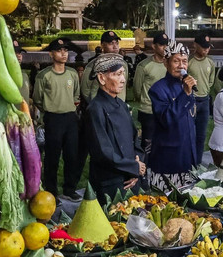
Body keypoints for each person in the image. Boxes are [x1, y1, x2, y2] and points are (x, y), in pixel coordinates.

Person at [86, 54, 145, 204]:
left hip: (131, 178)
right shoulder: (95, 109)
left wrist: (137, 166)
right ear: (102, 78)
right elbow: (103, 152)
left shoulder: (122, 104)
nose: (123, 80)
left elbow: (134, 139)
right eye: (117, 74)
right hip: (110, 182)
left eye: (123, 74)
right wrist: (132, 167)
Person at [32, 38, 82, 203]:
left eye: (66, 50)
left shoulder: (72, 74)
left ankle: (70, 189)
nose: (64, 54)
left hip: (70, 118)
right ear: (51, 54)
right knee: (52, 157)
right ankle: (51, 191)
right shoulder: (44, 75)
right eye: (60, 50)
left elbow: (76, 95)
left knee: (72, 155)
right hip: (53, 118)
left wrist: (72, 106)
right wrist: (48, 109)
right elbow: (38, 98)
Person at [147, 40, 198, 191]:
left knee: (187, 208)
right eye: (176, 61)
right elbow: (166, 119)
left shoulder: (186, 86)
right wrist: (185, 94)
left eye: (184, 61)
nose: (181, 66)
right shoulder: (158, 89)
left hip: (188, 157)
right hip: (168, 159)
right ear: (165, 62)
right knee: (165, 207)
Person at [78, 31, 126, 179]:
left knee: (120, 145)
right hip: (101, 110)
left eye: (116, 43)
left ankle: (123, 172)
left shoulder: (123, 63)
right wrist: (97, 105)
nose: (115, 46)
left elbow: (124, 86)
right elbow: (85, 89)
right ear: (102, 46)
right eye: (111, 43)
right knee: (99, 148)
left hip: (119, 109)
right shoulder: (93, 65)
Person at [133, 32, 169, 156]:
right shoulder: (144, 65)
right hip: (148, 111)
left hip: (166, 110)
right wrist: (144, 101)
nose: (165, 48)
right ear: (154, 46)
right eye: (161, 45)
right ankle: (145, 171)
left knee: (164, 143)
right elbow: (137, 89)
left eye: (166, 45)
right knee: (147, 146)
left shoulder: (171, 65)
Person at [188, 34, 216, 164]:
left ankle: (197, 163)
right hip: (190, 101)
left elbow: (211, 81)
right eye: (203, 47)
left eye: (208, 48)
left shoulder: (210, 62)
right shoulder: (188, 62)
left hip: (205, 101)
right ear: (195, 45)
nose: (206, 50)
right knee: (188, 134)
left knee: (201, 136)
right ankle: (188, 162)